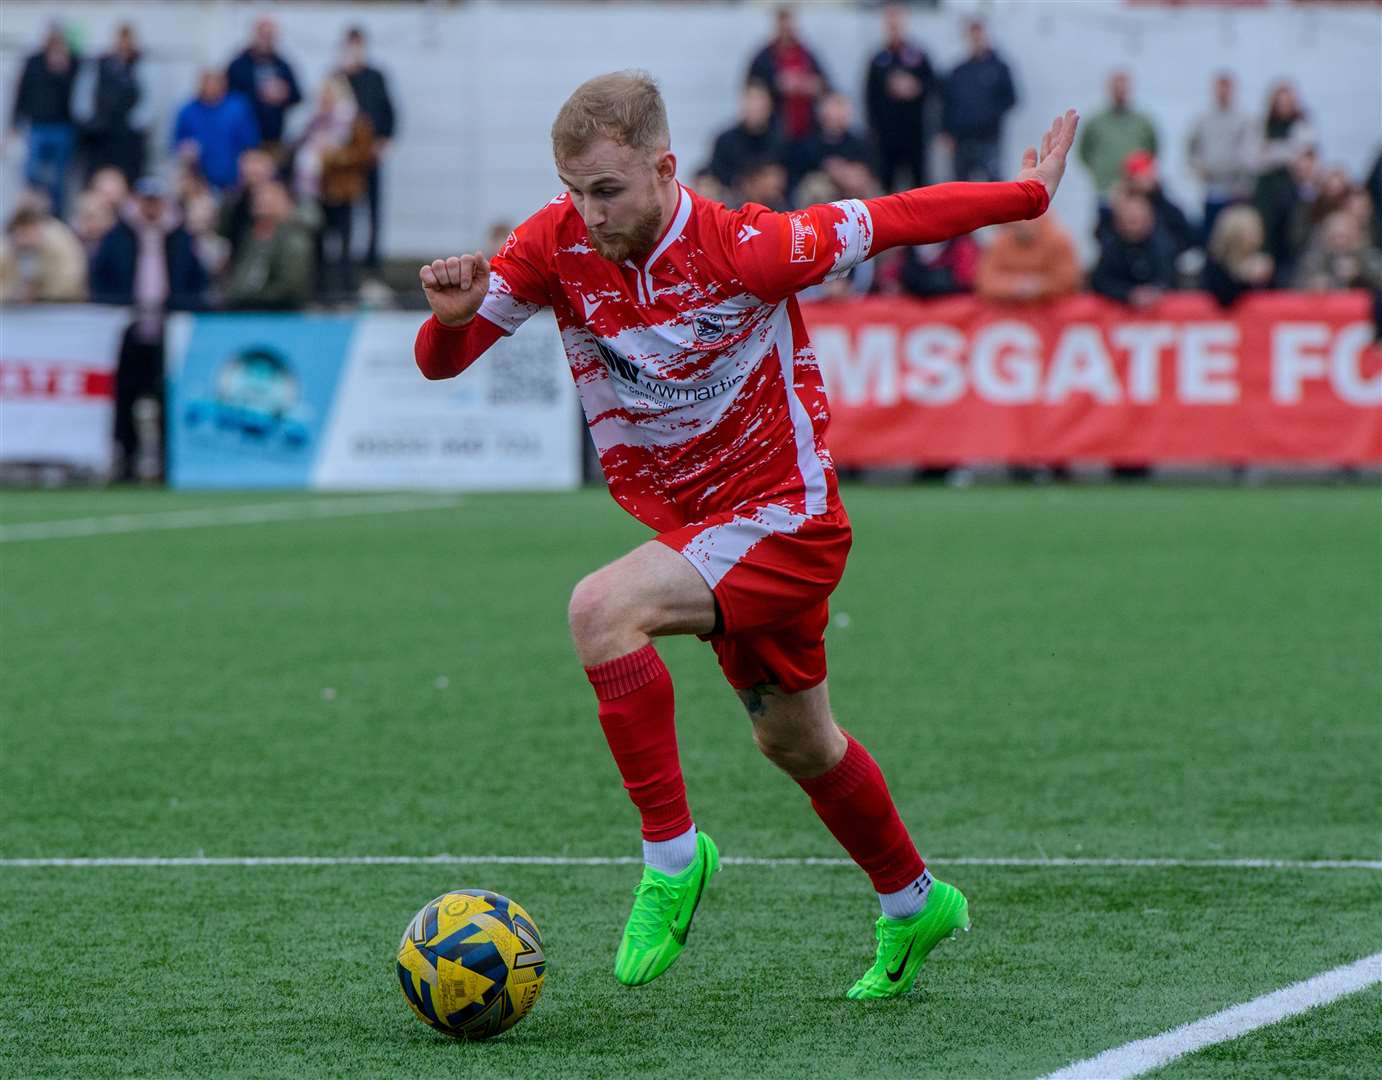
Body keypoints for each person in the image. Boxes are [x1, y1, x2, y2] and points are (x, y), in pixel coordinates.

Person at [413, 69, 1080, 1000]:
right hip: (701, 534)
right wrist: (446, 322)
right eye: (574, 190)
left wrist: (1029, 195)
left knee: (601, 611)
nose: (590, 212)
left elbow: (893, 216)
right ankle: (913, 901)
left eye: (608, 190)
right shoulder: (553, 244)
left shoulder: (748, 246)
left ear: (664, 168)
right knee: (798, 744)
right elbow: (444, 359)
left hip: (785, 521)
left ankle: (673, 858)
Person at [293, 75, 376, 301]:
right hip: (317, 193)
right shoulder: (315, 121)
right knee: (318, 244)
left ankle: (346, 291)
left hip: (342, 193)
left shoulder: (355, 121)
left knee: (345, 245)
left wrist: (332, 157)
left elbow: (363, 155)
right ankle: (320, 292)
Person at [339, 25, 396, 271]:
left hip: (370, 157)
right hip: (347, 161)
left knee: (373, 212)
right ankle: (344, 265)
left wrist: (382, 142)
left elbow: (390, 112)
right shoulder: (338, 77)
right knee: (346, 213)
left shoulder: (376, 76)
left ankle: (373, 264)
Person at [865, 3, 937, 193]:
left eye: (897, 21)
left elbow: (934, 86)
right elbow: (869, 97)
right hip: (887, 137)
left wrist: (915, 87)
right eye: (890, 22)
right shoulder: (878, 59)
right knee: (888, 190)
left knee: (919, 188)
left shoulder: (918, 56)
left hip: (914, 134)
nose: (894, 26)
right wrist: (873, 132)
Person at [10, 26, 80, 217]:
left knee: (59, 178)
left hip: (63, 127)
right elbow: (21, 92)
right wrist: (15, 123)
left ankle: (56, 216)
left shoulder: (72, 62)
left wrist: (63, 69)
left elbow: (79, 95)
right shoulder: (33, 62)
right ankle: (31, 214)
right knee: (31, 174)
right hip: (37, 126)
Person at [940, 20, 1016, 182]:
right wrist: (946, 131)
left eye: (979, 35)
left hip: (988, 138)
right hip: (962, 140)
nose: (976, 40)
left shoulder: (999, 68)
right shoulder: (959, 71)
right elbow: (947, 104)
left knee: (994, 186)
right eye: (972, 36)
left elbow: (1011, 98)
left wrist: (989, 115)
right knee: (960, 188)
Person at [1253, 81, 1315, 278]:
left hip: (1291, 190)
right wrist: (1286, 152)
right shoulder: (1262, 125)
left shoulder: (1302, 124)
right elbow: (1254, 157)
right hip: (1266, 191)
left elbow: (1303, 155)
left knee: (1291, 234)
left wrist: (1273, 152)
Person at [746, 6, 830, 146]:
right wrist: (777, 85)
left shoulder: (807, 55)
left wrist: (812, 85)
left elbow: (826, 86)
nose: (787, 29)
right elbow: (751, 89)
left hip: (807, 130)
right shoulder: (763, 58)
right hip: (774, 132)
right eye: (783, 25)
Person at [223, 181, 314, 310]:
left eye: (267, 197)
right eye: (258, 197)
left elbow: (290, 287)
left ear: (284, 203)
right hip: (244, 311)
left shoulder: (293, 237)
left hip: (278, 314)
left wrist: (250, 299)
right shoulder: (249, 236)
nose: (260, 201)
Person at [1186, 72, 1253, 243]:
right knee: (1211, 235)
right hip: (1212, 188)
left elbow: (1251, 152)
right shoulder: (1203, 120)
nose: (1223, 92)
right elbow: (1191, 148)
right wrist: (1197, 168)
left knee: (1234, 236)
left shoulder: (1244, 119)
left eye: (1227, 88)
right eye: (1220, 88)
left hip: (1236, 190)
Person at [1078, 70, 1159, 207]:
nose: (1120, 92)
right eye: (1116, 87)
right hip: (1105, 189)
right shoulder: (1095, 122)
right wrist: (1099, 170)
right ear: (1109, 89)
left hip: (1136, 193)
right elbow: (1083, 152)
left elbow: (1152, 151)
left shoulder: (1143, 122)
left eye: (1124, 88)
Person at [79, 23, 148, 183]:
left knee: (129, 178)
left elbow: (147, 98)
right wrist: (89, 120)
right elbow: (85, 93)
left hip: (128, 135)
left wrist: (138, 122)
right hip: (101, 133)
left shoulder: (141, 65)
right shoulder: (100, 63)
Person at [172, 70, 260, 192]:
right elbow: (178, 144)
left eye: (215, 82)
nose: (210, 87)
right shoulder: (187, 111)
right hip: (199, 180)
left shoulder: (238, 107)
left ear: (224, 84)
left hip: (235, 177)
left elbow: (250, 144)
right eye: (206, 82)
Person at [226, 17, 302, 152]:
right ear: (254, 35)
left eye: (270, 36)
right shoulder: (238, 65)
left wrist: (284, 94)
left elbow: (298, 96)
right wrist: (259, 93)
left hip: (274, 138)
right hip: (243, 140)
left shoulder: (283, 65)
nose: (266, 40)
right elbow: (227, 97)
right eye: (263, 35)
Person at [1089, 190, 1176, 308]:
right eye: (1130, 218)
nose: (1134, 223)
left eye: (1137, 218)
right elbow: (1101, 281)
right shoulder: (1110, 247)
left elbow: (1169, 279)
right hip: (1117, 311)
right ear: (1118, 221)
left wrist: (1154, 292)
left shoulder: (1164, 245)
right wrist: (1128, 294)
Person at [975, 214, 1081, 302]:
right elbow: (985, 280)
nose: (1021, 224)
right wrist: (1015, 286)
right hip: (1008, 306)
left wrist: (1038, 286)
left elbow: (1068, 279)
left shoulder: (1058, 240)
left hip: (1051, 304)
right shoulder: (1000, 241)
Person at [787, 92, 875, 192]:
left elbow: (870, 169)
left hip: (854, 188)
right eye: (835, 107)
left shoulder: (860, 143)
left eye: (843, 107)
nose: (840, 113)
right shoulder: (806, 145)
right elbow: (797, 177)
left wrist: (847, 173)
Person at [1119, 150, 1198, 258]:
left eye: (1148, 172)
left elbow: (1188, 237)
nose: (1147, 177)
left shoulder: (1166, 209)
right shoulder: (1119, 207)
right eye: (1141, 173)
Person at [705, 84, 784, 191]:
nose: (754, 106)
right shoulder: (725, 140)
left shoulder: (782, 141)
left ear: (769, 106)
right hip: (733, 198)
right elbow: (716, 173)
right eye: (750, 100)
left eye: (759, 100)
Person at [0, 205, 86, 302]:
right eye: (21, 234)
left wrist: (39, 292)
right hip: (18, 310)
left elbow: (70, 282)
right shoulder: (8, 248)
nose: (24, 240)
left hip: (61, 307)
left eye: (27, 233)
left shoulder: (59, 243)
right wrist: (12, 293)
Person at [1201, 204, 1274, 308]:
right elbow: (1223, 299)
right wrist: (1244, 277)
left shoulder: (1261, 262)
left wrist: (1264, 278)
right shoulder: (1215, 265)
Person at [218, 147, 278, 263]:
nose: (251, 174)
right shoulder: (235, 203)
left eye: (256, 172)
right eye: (247, 170)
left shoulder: (279, 204)